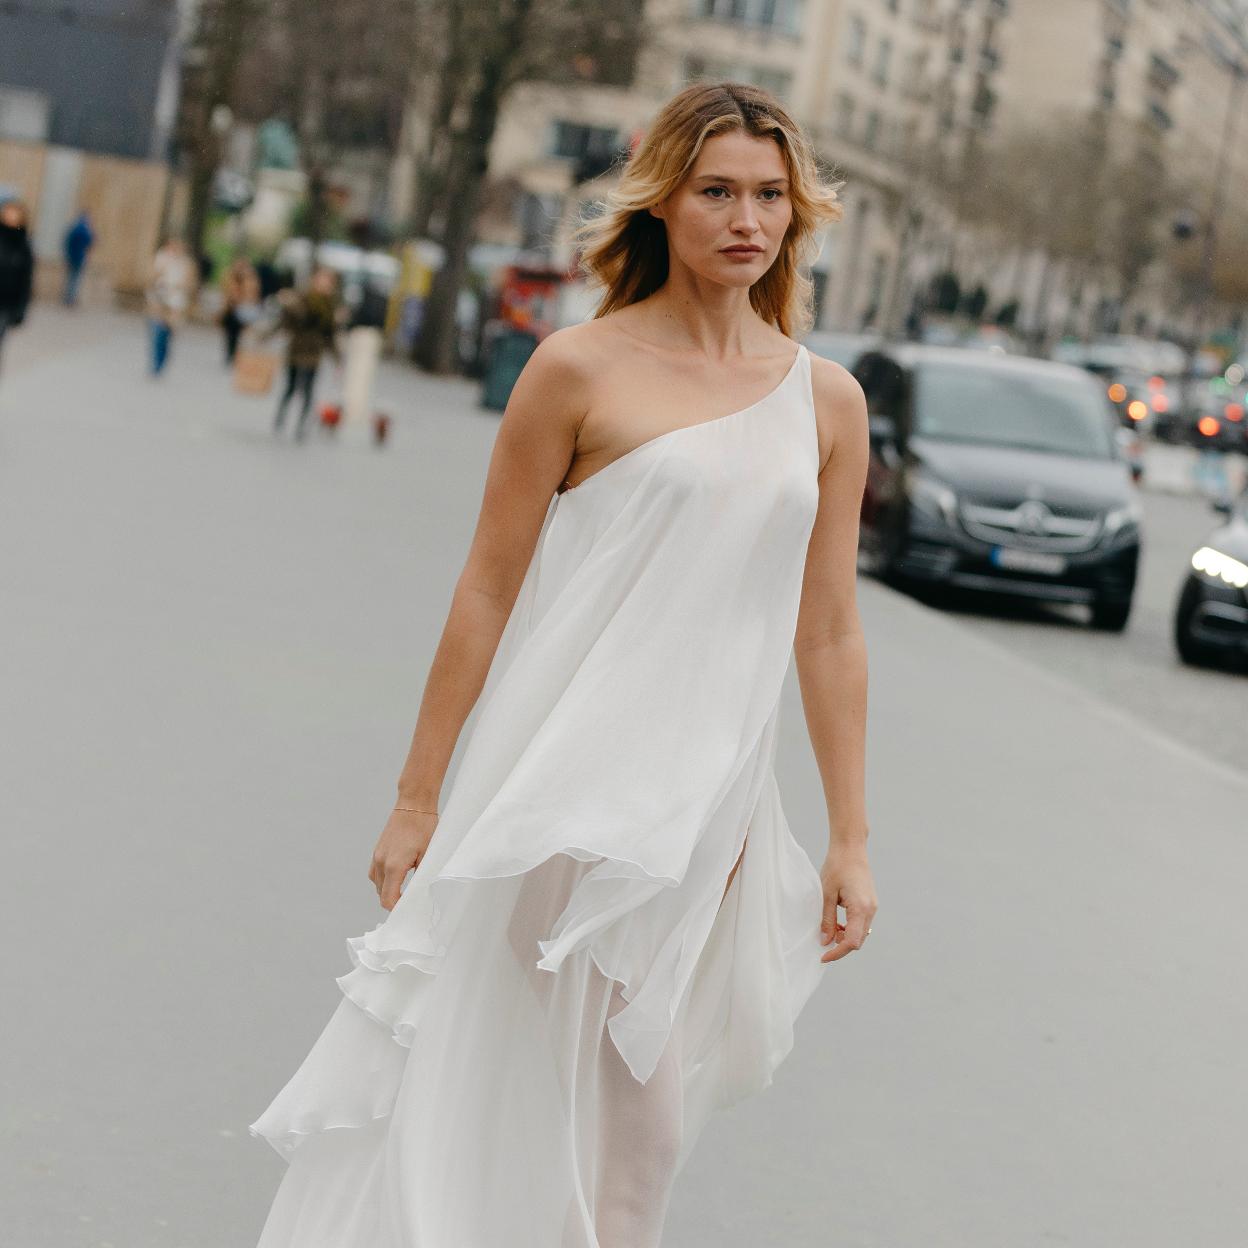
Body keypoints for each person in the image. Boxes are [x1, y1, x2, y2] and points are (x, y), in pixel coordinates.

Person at [249, 81, 878, 1247]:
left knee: (645, 1128)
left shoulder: (827, 402)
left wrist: (849, 832)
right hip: (565, 787)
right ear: (663, 203)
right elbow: (486, 589)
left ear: (798, 214)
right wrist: (415, 796)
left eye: (771, 196)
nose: (748, 219)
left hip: (715, 813)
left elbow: (829, 629)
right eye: (718, 192)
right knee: (509, 1090)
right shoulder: (577, 370)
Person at [266, 266, 341, 440]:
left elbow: (330, 335)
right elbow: (286, 321)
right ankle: (280, 418)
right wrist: (264, 337)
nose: (324, 285)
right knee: (290, 387)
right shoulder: (301, 298)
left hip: (314, 353)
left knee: (308, 389)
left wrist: (337, 359)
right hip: (296, 349)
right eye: (321, 280)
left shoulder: (330, 306)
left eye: (328, 282)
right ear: (314, 281)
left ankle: (302, 424)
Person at [144, 237, 197, 377]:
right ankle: (156, 363)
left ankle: (162, 359)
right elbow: (151, 278)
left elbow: (190, 284)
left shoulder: (186, 263)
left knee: (168, 334)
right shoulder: (160, 259)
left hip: (176, 302)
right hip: (160, 299)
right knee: (157, 331)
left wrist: (179, 288)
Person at [0, 197, 34, 375]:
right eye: (8, 212)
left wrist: (21, 309)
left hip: (7, 304)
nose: (11, 216)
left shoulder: (23, 245)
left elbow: (26, 280)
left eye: (15, 213)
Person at [219, 256, 261, 365]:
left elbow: (253, 294)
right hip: (231, 310)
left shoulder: (250, 278)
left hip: (243, 310)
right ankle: (230, 354)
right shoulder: (230, 277)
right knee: (230, 334)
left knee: (240, 335)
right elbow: (226, 292)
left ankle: (237, 355)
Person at [62, 211, 94, 307]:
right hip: (79, 258)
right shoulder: (85, 230)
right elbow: (90, 241)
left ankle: (67, 298)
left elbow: (67, 242)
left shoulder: (74, 229)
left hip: (71, 257)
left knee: (70, 278)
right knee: (75, 279)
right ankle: (71, 299)